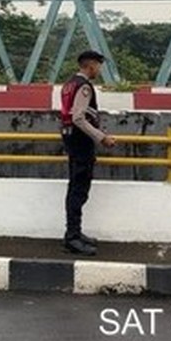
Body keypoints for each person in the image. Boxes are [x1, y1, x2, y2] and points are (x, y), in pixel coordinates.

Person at [59, 50, 116, 255]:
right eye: (98, 66)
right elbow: (79, 118)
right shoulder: (84, 86)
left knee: (76, 185)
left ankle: (74, 233)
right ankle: (72, 237)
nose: (99, 70)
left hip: (71, 138)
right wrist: (102, 137)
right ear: (90, 65)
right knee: (79, 188)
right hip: (80, 141)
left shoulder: (68, 84)